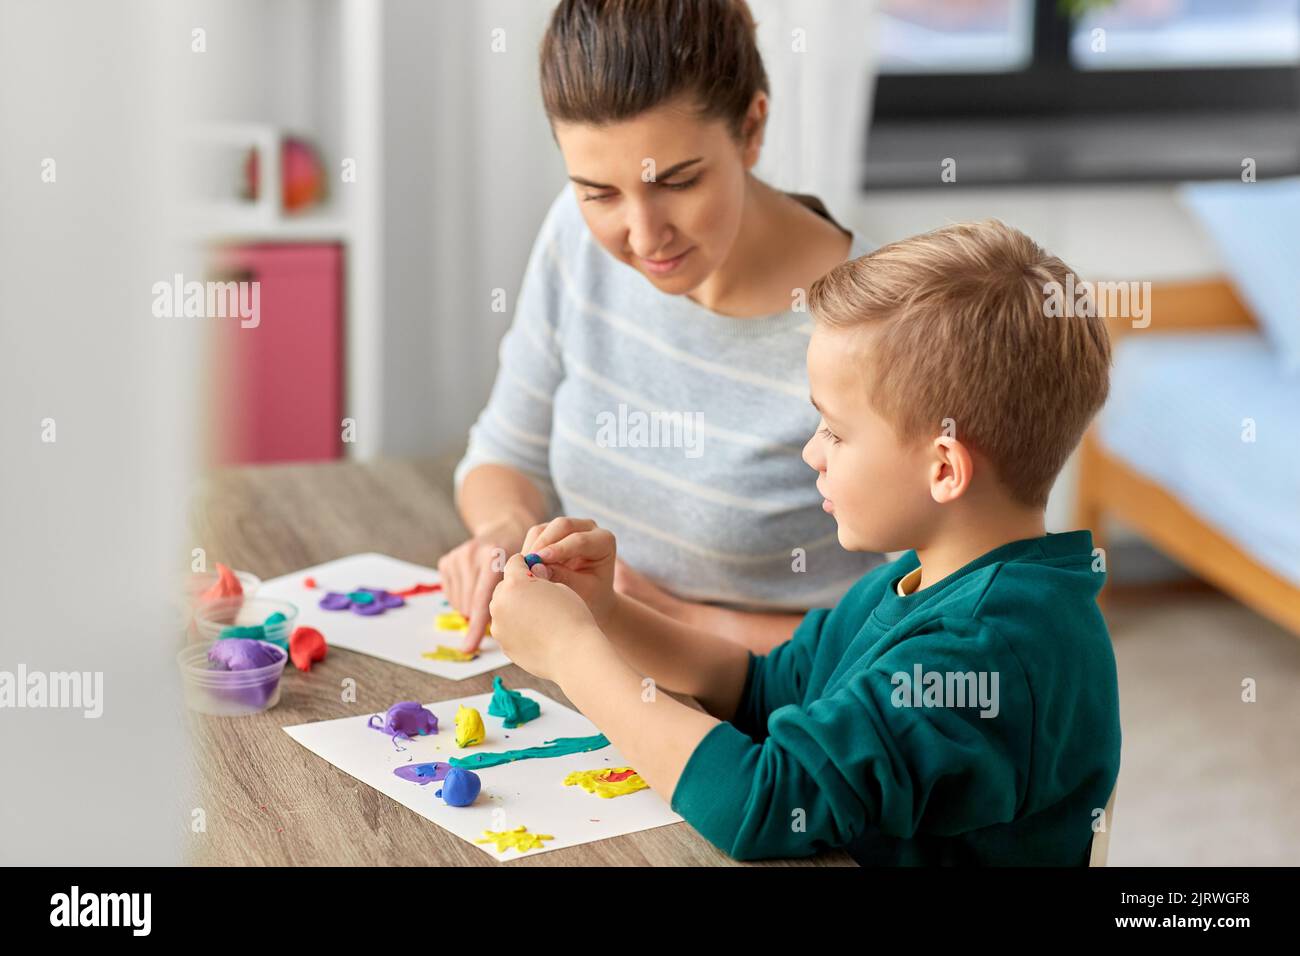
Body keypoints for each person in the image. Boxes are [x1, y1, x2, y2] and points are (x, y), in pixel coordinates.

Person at [487, 220, 1122, 865]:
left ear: (943, 469)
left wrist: (571, 653)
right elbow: (763, 688)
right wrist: (609, 614)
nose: (811, 451)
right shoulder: (922, 577)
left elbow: (760, 804)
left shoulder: (986, 652)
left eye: (837, 432)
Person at [442, 0, 880, 655]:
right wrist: (502, 532)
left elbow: (927, 632)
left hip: (784, 729)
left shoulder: (876, 322)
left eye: (677, 181)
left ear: (751, 129)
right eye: (600, 193)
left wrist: (659, 618)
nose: (643, 236)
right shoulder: (573, 234)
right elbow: (507, 454)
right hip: (599, 686)